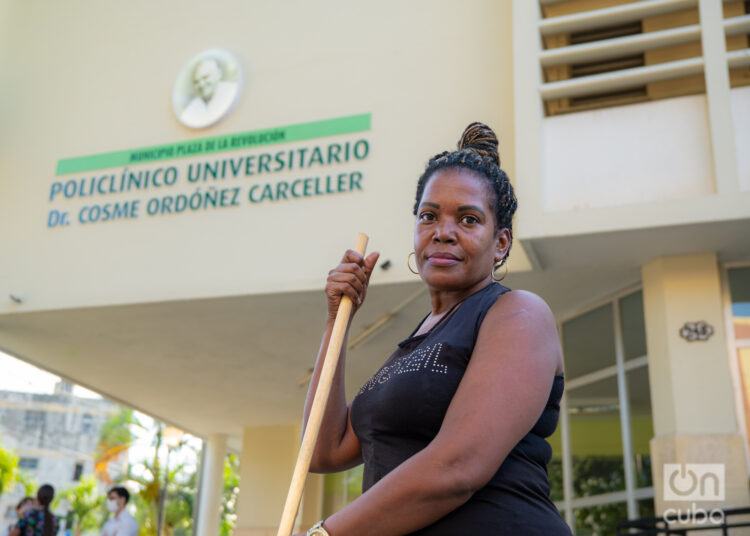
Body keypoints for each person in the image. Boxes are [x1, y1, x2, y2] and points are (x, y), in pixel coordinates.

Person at [296, 123, 572, 535]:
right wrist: (337, 320)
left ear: (501, 243)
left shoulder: (517, 313)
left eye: (468, 219)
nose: (443, 232)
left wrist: (324, 535)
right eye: (429, 216)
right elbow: (322, 451)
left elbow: (457, 468)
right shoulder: (417, 342)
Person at [179, 57, 238, 129]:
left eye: (205, 77)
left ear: (219, 74)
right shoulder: (191, 109)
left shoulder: (233, 92)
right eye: (196, 82)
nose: (201, 84)